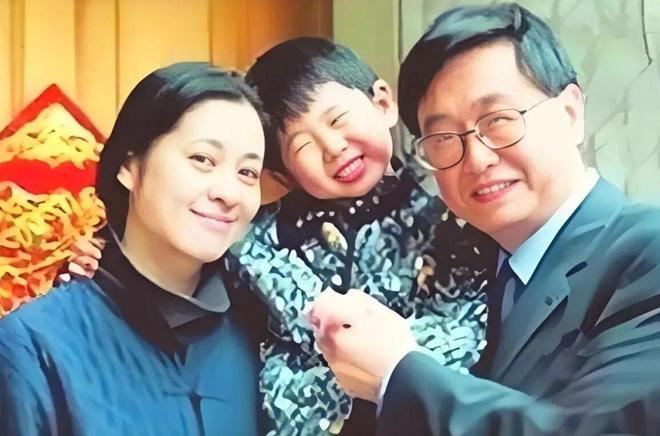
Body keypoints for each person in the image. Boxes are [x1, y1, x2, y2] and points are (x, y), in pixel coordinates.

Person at [66, 39, 494, 435]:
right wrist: (108, 258)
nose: (333, 147)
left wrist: (394, 364)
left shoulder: (447, 215)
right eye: (303, 145)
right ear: (283, 171)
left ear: (382, 103)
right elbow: (182, 276)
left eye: (338, 120)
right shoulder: (259, 236)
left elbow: (465, 328)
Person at [309, 3, 660, 435]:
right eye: (443, 138)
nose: (476, 159)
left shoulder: (647, 255)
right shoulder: (446, 263)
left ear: (570, 113)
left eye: (498, 120)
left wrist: (398, 374)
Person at [0, 62, 271, 435]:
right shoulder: (32, 345)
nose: (229, 193)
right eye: (202, 160)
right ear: (129, 166)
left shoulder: (262, 334)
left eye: (247, 173)